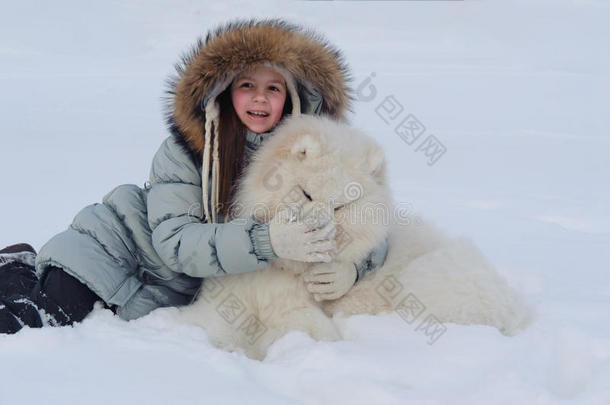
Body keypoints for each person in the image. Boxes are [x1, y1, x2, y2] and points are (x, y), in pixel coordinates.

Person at [0, 19, 387, 334]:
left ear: (294, 96)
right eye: (246, 86)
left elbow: (370, 216)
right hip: (118, 252)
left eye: (273, 88)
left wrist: (354, 268)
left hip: (155, 287)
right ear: (224, 93)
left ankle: (19, 263)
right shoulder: (186, 150)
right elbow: (176, 243)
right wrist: (267, 240)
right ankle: (20, 267)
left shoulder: (318, 155)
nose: (259, 99)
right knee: (36, 321)